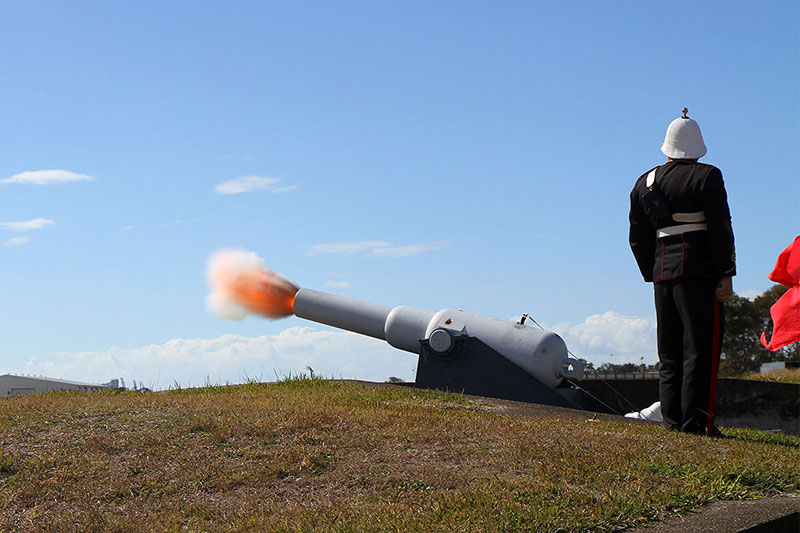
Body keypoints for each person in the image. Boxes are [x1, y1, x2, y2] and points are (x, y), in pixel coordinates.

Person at [629, 108, 736, 436]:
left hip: (663, 273)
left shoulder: (644, 182)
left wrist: (653, 271)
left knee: (670, 351)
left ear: (667, 147)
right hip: (700, 272)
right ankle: (698, 423)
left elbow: (637, 236)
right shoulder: (708, 176)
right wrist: (726, 272)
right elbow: (720, 228)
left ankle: (673, 421)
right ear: (698, 147)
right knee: (699, 350)